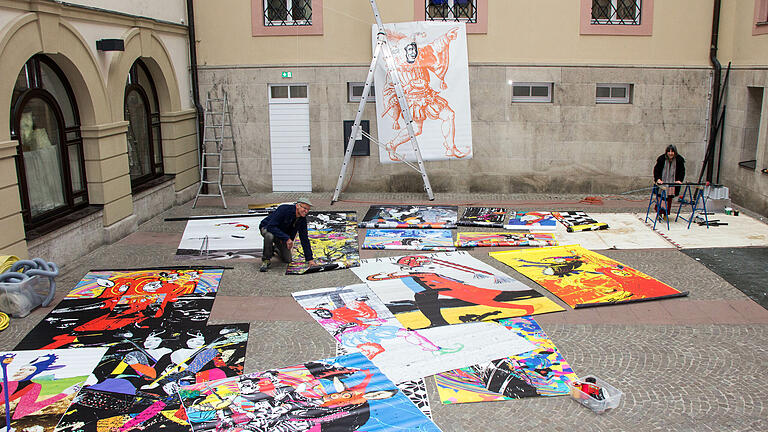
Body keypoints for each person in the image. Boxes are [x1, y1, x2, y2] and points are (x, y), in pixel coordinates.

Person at [259, 198, 316, 272]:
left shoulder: (302, 219)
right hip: (267, 227)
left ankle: (275, 248)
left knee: (287, 259)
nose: (306, 211)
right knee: (269, 236)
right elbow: (271, 227)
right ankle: (266, 260)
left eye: (308, 210)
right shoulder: (284, 209)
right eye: (305, 208)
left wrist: (310, 259)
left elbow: (304, 239)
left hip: (282, 233)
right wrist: (287, 238)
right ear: (297, 206)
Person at [653, 144, 685, 219]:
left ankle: (665, 213)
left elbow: (682, 171)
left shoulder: (679, 160)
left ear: (675, 152)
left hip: (672, 183)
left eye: (672, 151)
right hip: (662, 183)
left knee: (669, 199)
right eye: (669, 151)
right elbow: (656, 170)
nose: (670, 153)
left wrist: (679, 180)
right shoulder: (661, 159)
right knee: (660, 198)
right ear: (666, 152)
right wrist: (658, 179)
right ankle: (659, 213)